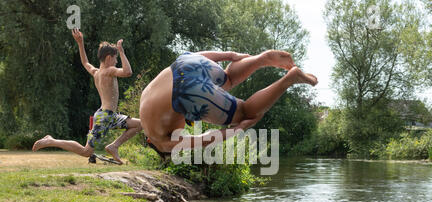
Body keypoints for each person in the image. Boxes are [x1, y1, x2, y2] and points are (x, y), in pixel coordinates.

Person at [139, 50, 318, 154]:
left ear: (150, 141)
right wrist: (230, 55)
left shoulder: (162, 142)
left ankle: (289, 78)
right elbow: (190, 56)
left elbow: (204, 139)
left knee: (245, 112)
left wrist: (238, 129)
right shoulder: (144, 102)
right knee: (228, 79)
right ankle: (262, 59)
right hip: (186, 62)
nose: (185, 128)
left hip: (186, 92)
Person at [32, 29, 142, 164]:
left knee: (139, 124)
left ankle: (113, 146)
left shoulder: (96, 72)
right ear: (109, 57)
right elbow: (128, 72)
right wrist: (121, 51)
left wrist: (80, 43)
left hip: (110, 115)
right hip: (105, 117)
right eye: (115, 58)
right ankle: (51, 141)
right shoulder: (109, 71)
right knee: (86, 152)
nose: (116, 61)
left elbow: (85, 62)